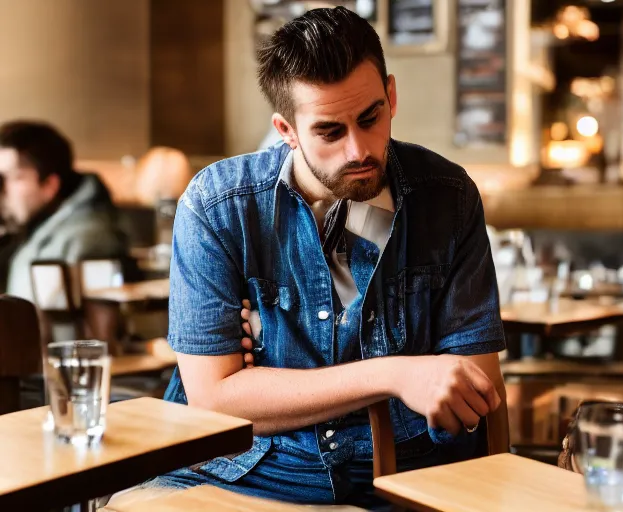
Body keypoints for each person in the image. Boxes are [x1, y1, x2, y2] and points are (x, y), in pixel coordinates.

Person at [111, 6, 508, 509]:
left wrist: (268, 387)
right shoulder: (218, 206)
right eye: (329, 131)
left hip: (400, 480)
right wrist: (399, 374)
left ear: (391, 95)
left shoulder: (447, 197)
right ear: (287, 129)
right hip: (245, 472)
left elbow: (473, 393)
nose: (358, 150)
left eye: (371, 118)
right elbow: (213, 400)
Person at [0, 121, 129, 301]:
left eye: (14, 178)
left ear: (49, 185)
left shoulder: (89, 239)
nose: (3, 190)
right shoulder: (31, 230)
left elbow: (101, 325)